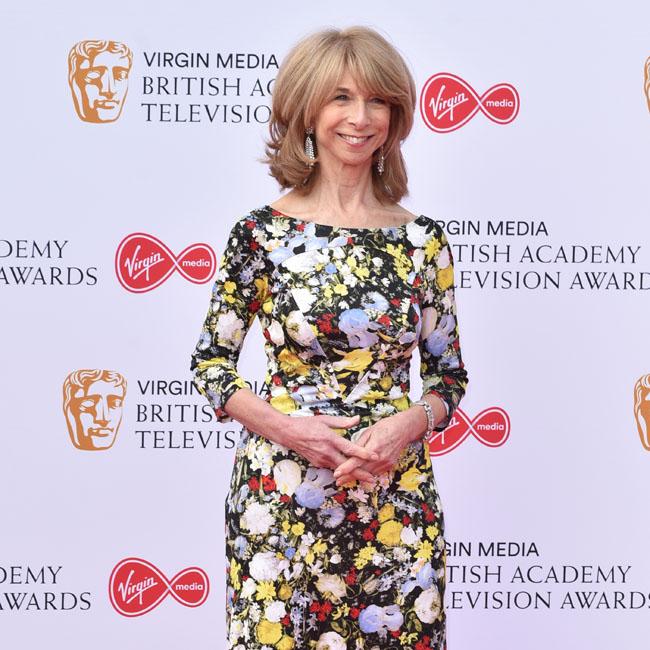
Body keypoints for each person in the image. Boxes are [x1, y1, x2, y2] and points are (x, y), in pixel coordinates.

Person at [190, 26, 468, 650]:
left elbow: (448, 377)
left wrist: (406, 427)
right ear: (308, 110)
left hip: (393, 498)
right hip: (282, 501)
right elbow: (211, 365)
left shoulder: (422, 241)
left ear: (395, 117)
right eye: (341, 97)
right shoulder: (261, 236)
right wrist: (292, 431)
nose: (360, 118)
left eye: (378, 101)